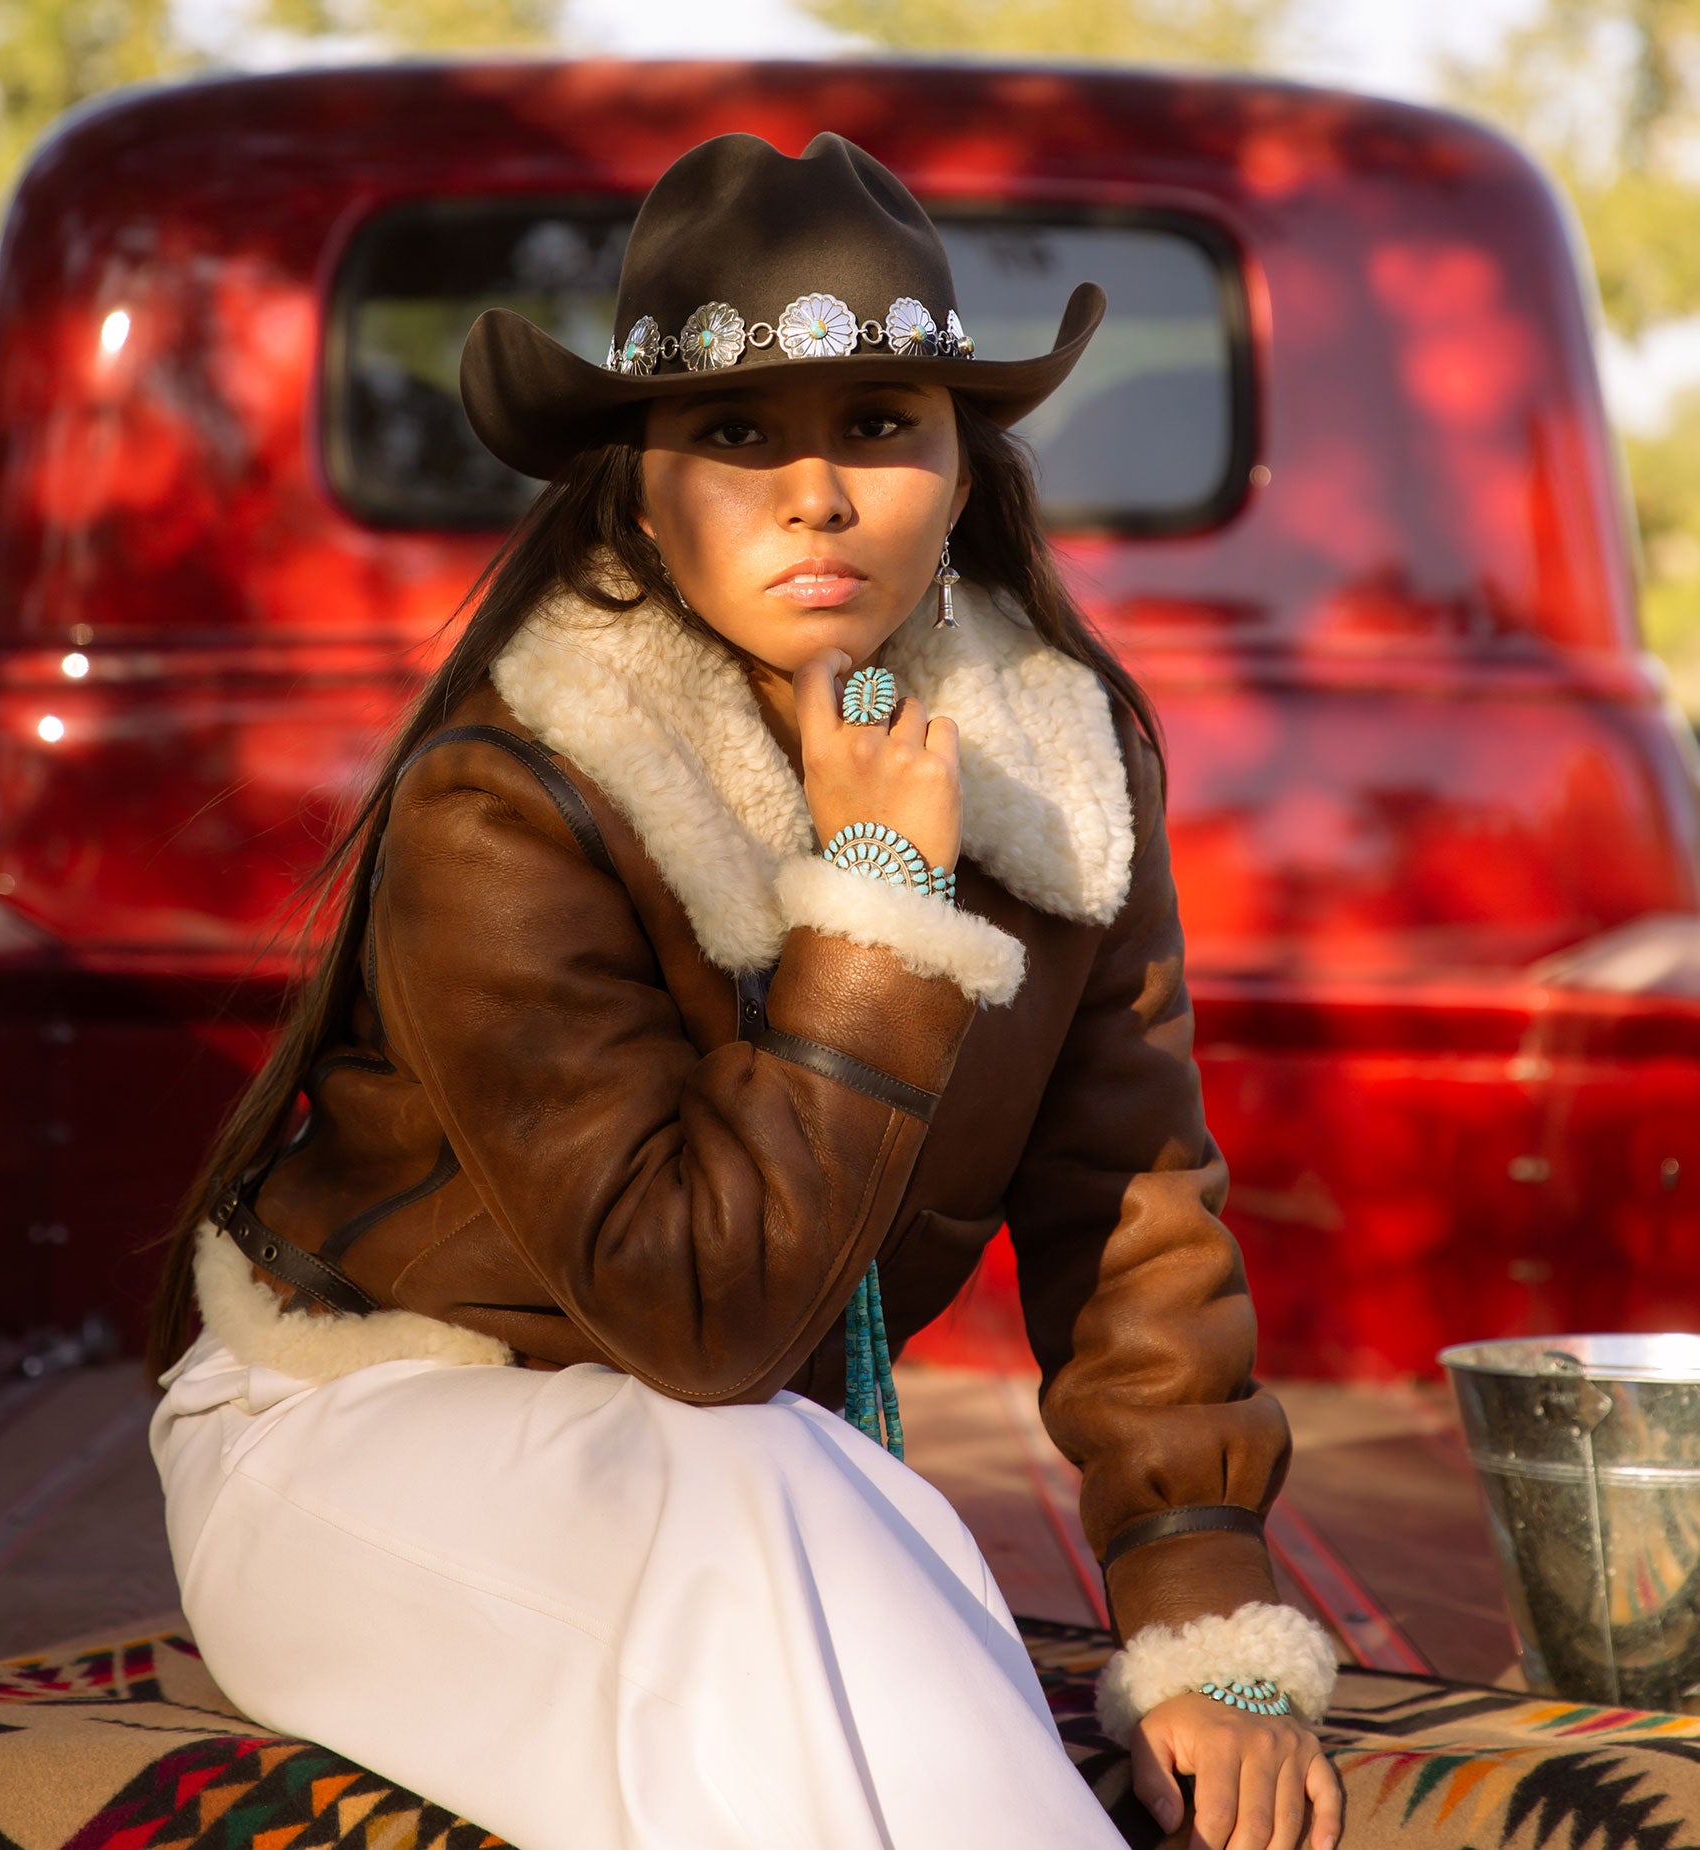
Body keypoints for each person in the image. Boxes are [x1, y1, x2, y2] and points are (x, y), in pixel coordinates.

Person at [145, 131, 1343, 1850]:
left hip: (745, 1469)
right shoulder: (522, 787)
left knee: (833, 1519)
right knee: (780, 1499)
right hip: (359, 1433)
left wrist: (1195, 1603)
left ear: (960, 464)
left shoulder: (1060, 772)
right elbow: (701, 1325)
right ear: (639, 484)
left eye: (877, 427)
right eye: (733, 434)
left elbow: (1128, 1201)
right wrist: (877, 909)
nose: (817, 494)